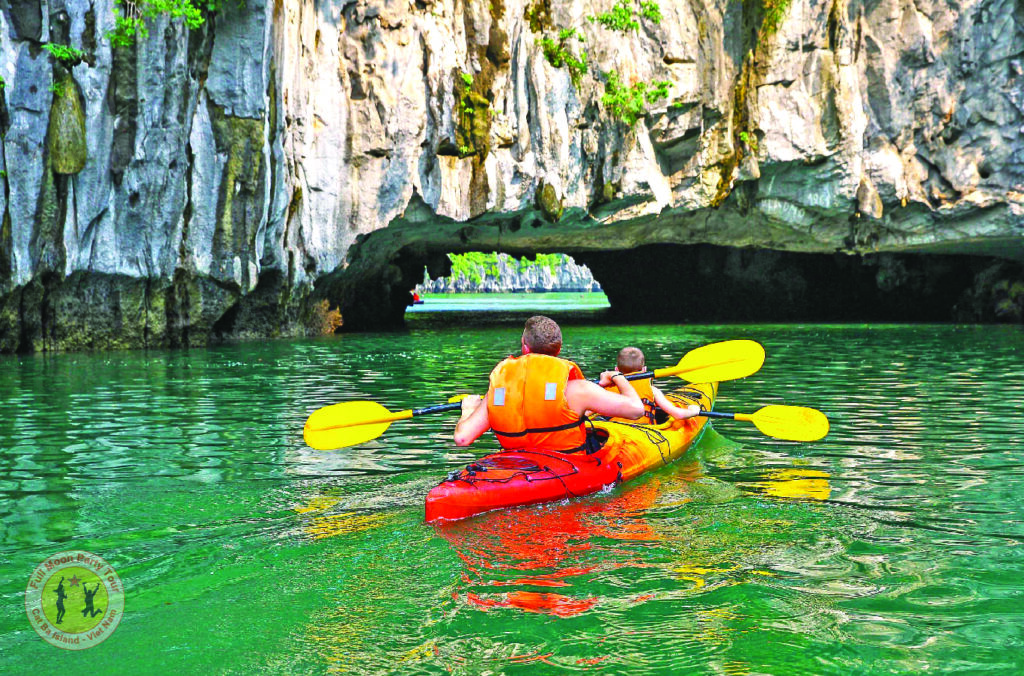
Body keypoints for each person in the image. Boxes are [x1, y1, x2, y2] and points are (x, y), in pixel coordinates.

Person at [454, 316, 644, 450]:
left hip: (519, 465)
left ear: (524, 346)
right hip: (565, 465)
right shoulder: (578, 390)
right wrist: (616, 377)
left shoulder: (500, 389)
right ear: (559, 349)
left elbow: (462, 438)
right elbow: (636, 410)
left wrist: (468, 409)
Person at [606, 346, 702, 424]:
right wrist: (693, 411)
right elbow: (678, 414)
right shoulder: (652, 390)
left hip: (613, 430)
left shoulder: (605, 390)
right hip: (642, 432)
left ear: (616, 370)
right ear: (644, 370)